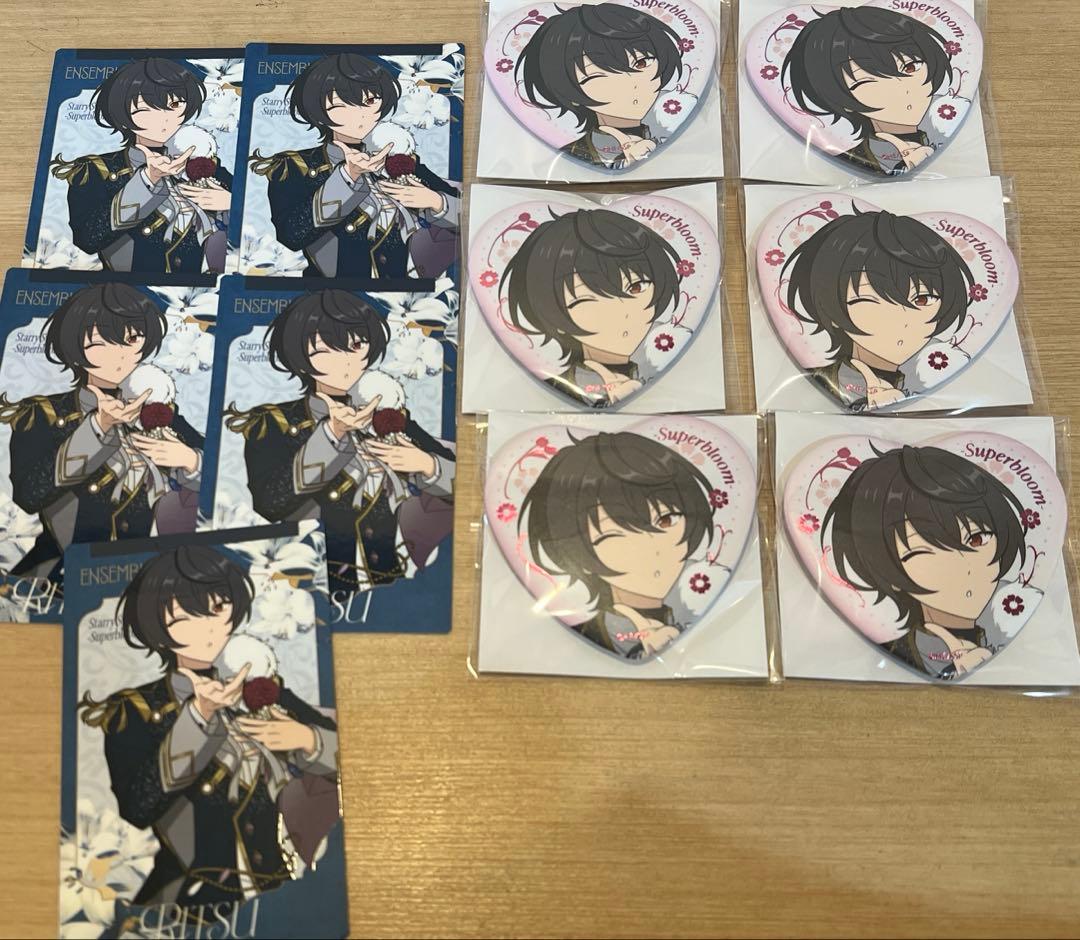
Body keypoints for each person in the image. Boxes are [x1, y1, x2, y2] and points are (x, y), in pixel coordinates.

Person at [79, 545, 339, 906]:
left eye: (218, 609)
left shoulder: (261, 686)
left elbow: (347, 759)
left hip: (286, 888)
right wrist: (199, 716)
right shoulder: (134, 710)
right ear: (156, 626)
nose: (209, 628)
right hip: (197, 897)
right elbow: (137, 807)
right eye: (185, 616)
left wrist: (308, 739)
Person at [226, 289, 455, 595]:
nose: (346, 362)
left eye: (356, 346)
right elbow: (269, 504)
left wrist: (426, 465)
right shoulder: (273, 421)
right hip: (316, 584)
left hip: (390, 582)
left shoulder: (388, 415)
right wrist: (332, 434)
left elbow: (461, 485)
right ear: (299, 359)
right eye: (325, 351)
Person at [0, 284, 203, 586]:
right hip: (58, 576)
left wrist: (190, 461)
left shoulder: (158, 411)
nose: (120, 355)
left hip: (143, 576)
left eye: (131, 340)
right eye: (100, 343)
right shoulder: (43, 413)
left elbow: (217, 478)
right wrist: (98, 427)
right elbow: (29, 494)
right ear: (73, 347)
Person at [825, 444, 1030, 679]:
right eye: (922, 553)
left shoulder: (1015, 606)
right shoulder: (899, 652)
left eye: (976, 539)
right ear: (889, 575)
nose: (964, 568)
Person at [250, 53, 460, 278]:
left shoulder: (400, 160)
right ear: (317, 112)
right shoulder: (294, 166)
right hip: (329, 288)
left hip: (402, 286)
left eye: (369, 102)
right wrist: (348, 176)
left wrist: (435, 201)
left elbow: (465, 215)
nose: (360, 115)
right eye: (341, 106)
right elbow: (291, 235)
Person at [521, 431, 713, 659]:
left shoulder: (701, 594)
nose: (652, 549)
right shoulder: (588, 635)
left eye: (666, 520)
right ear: (576, 555)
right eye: (613, 536)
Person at [782, 207, 974, 411]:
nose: (903, 321)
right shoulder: (817, 381)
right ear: (831, 309)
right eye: (869, 301)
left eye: (922, 299)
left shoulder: (939, 370)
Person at [51, 58, 232, 273]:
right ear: (122, 116)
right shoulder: (96, 170)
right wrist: (148, 179)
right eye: (145, 109)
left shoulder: (206, 165)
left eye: (174, 105)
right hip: (126, 286)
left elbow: (246, 221)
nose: (164, 119)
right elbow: (87, 238)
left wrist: (230, 203)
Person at [501, 208, 681, 407]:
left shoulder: (665, 370)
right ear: (553, 315)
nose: (623, 313)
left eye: (636, 287)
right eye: (585, 300)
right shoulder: (553, 389)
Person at [783, 7, 956, 176]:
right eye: (866, 82)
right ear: (840, 100)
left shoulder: (947, 110)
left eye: (910, 67)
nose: (903, 89)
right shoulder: (862, 155)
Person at [516, 3, 683, 169]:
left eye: (641, 63)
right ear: (569, 94)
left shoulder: (672, 120)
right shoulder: (575, 153)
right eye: (596, 77)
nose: (632, 84)